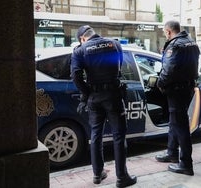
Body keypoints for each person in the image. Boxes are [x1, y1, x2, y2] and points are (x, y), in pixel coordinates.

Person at [71, 25, 137, 187]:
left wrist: (87, 94)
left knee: (96, 136)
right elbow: (119, 67)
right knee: (119, 137)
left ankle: (97, 174)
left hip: (94, 97)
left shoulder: (80, 51)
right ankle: (122, 177)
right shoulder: (114, 44)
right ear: (93, 33)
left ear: (82, 38)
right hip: (113, 95)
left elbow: (76, 77)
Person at [155, 20, 200, 176]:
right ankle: (172, 153)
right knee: (176, 121)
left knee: (181, 126)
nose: (164, 34)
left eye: (164, 32)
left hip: (177, 90)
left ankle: (186, 164)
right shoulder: (191, 42)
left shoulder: (174, 46)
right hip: (187, 88)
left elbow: (169, 69)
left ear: (168, 31)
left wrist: (160, 84)